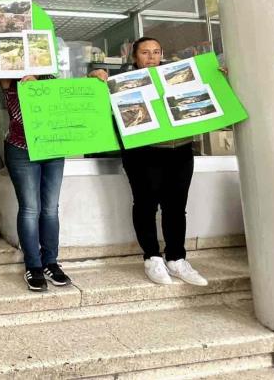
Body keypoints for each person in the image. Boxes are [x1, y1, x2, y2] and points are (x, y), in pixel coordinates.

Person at [89, 36, 208, 287]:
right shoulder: (120, 82)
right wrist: (95, 75)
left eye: (156, 52)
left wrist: (217, 77)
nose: (151, 57)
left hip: (181, 150)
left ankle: (177, 258)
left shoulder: (176, 77)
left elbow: (203, 93)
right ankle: (152, 257)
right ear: (134, 57)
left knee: (176, 207)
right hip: (143, 152)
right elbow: (95, 94)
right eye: (145, 53)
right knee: (145, 205)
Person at [0, 76, 72, 292]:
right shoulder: (10, 77)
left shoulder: (54, 79)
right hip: (21, 149)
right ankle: (33, 265)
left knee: (50, 208)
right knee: (31, 208)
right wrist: (24, 83)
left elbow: (72, 97)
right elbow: (2, 76)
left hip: (53, 147)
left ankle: (50, 261)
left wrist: (95, 78)